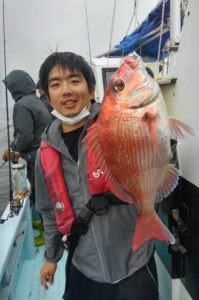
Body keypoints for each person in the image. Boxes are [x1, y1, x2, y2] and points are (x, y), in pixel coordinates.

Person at [35, 52, 159, 300]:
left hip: (134, 263)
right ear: (47, 96)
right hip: (84, 265)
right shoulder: (44, 153)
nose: (66, 90)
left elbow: (154, 162)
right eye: (56, 84)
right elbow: (49, 212)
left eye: (74, 80)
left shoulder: (118, 126)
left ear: (92, 90)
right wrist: (52, 257)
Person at [2, 69, 52, 245]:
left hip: (36, 158)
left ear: (15, 88)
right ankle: (45, 226)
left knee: (40, 196)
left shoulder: (22, 105)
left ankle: (47, 234)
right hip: (47, 155)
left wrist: (11, 149)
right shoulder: (36, 101)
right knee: (45, 194)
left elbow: (25, 137)